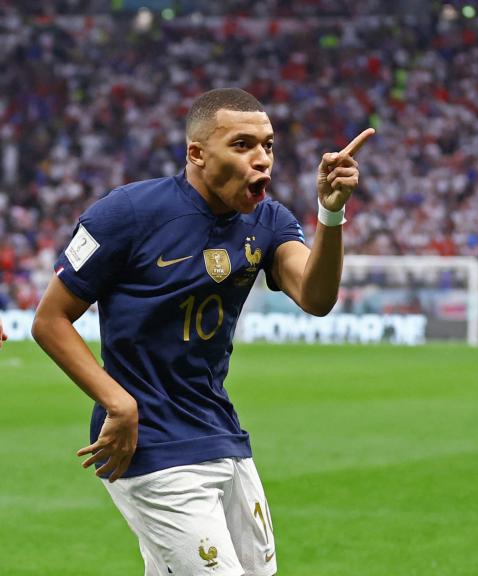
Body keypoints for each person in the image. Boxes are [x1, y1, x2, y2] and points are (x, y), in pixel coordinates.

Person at [31, 88, 374, 576]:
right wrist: (118, 402)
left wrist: (330, 214)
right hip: (147, 441)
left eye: (268, 146)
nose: (262, 159)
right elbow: (50, 320)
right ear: (196, 153)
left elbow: (316, 298)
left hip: (220, 432)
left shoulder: (269, 221)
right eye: (242, 145)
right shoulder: (126, 213)